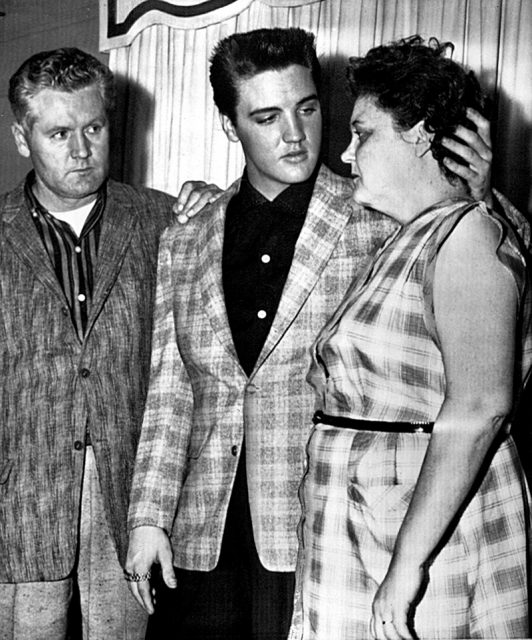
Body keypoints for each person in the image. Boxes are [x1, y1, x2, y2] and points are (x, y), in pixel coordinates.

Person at [124, 28, 518, 640]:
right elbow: (170, 389)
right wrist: (148, 516)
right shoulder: (188, 233)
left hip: (326, 527)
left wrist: (485, 195)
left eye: (308, 108)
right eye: (267, 116)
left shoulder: (381, 208)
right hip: (202, 533)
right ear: (230, 126)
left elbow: (494, 281)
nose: (295, 134)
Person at [295, 35, 532, 640]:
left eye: (363, 133)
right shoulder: (406, 237)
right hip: (364, 527)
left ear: (422, 133)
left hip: (417, 537)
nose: (347, 155)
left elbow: (479, 407)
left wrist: (407, 565)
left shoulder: (467, 239)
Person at [0, 47, 190, 640]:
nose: (81, 150)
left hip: (132, 512)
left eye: (94, 128)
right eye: (59, 133)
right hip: (21, 511)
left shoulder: (167, 222)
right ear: (22, 138)